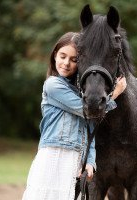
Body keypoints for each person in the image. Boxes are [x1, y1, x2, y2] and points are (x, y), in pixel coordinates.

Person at [22, 32, 127, 200]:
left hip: (76, 160)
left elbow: (91, 129)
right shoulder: (53, 85)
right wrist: (114, 94)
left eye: (74, 60)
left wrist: (90, 162)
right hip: (55, 156)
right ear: (55, 55)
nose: (66, 63)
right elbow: (86, 110)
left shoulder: (83, 93)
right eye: (63, 56)